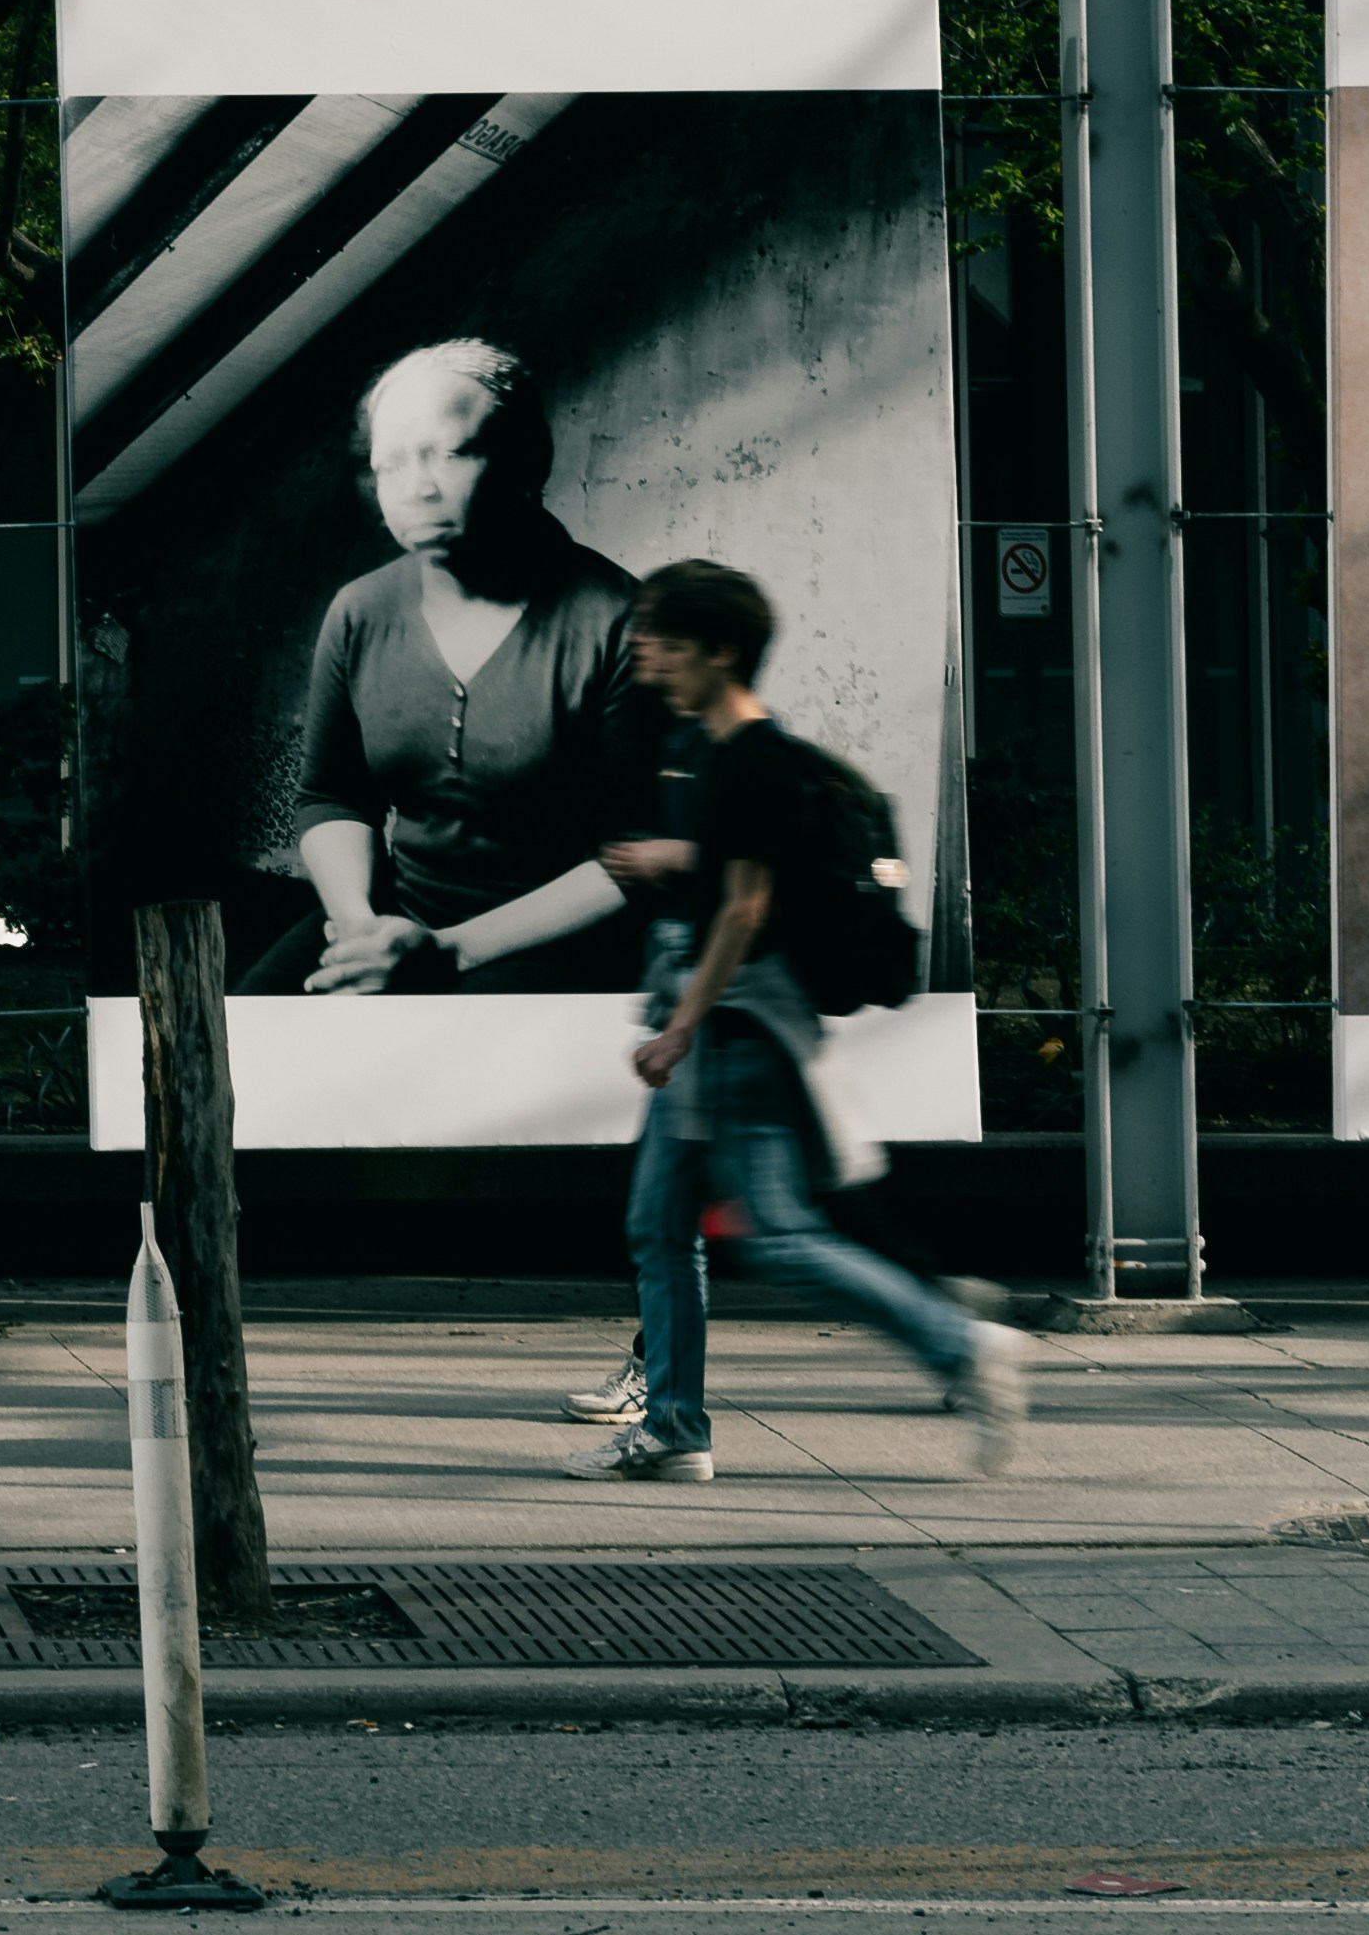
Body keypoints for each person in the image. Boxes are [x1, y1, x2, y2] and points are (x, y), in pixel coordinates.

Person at [558, 558, 1030, 1485]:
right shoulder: (708, 753)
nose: (645, 651)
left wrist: (680, 1026)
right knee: (659, 1224)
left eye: (664, 637)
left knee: (776, 1231)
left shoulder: (751, 762)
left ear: (720, 650)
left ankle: (963, 1346)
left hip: (734, 1040)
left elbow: (743, 910)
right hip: (714, 1035)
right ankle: (675, 1428)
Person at [255, 338, 653, 997]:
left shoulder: (618, 621)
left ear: (528, 458)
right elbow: (332, 795)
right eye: (391, 464)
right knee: (239, 1039)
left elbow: (637, 852)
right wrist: (358, 924)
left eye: (451, 452)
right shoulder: (360, 612)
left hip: (557, 945)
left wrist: (450, 952)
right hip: (396, 923)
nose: (418, 487)